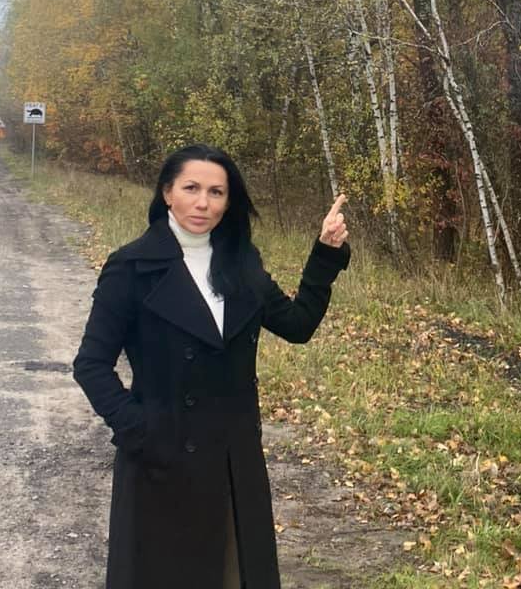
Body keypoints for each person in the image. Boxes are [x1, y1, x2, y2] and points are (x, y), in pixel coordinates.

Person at [73, 143, 349, 589]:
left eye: (216, 192)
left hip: (234, 461)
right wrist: (141, 430)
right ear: (167, 192)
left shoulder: (240, 262)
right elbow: (91, 365)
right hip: (162, 461)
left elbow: (297, 325)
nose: (203, 202)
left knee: (234, 575)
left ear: (228, 201)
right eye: (191, 188)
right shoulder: (131, 266)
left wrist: (325, 254)